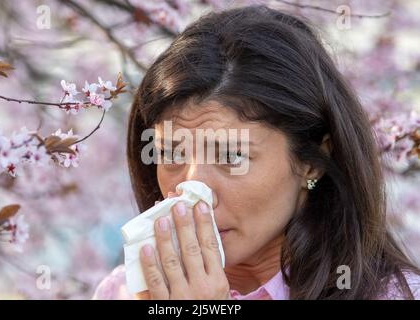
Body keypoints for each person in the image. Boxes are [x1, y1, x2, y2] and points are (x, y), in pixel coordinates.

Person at [93, 5, 420, 300]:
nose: (192, 190)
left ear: (310, 163)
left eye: (232, 158)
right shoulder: (123, 291)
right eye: (172, 154)